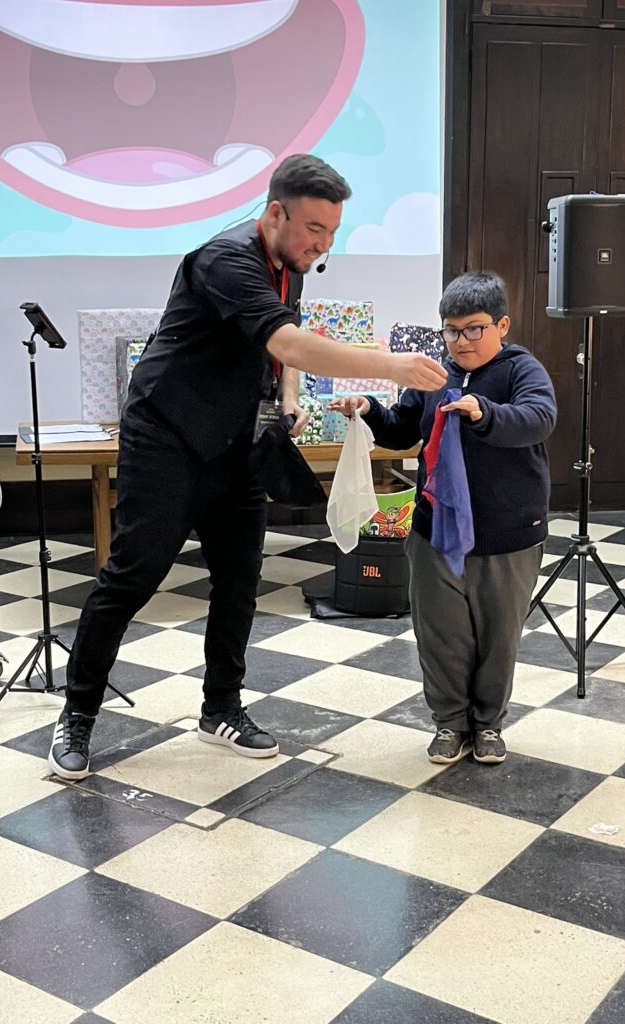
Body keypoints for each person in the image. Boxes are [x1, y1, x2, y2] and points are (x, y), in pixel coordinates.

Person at [48, 154, 447, 780]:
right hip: (167, 436)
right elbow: (288, 341)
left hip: (235, 440)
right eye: (315, 229)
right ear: (274, 213)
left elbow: (283, 346)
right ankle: (76, 715)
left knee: (239, 577)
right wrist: (391, 364)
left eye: (334, 233)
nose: (323, 244)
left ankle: (221, 709)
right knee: (133, 575)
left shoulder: (291, 266)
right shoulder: (225, 260)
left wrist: (285, 400)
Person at [331, 271, 556, 766]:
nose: (461, 341)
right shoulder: (433, 374)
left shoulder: (522, 369)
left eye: (474, 328)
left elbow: (539, 417)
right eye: (451, 331)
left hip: (507, 531)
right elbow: (401, 428)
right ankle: (451, 724)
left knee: (498, 637)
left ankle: (489, 725)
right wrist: (368, 409)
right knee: (440, 634)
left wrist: (484, 412)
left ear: (502, 325)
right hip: (435, 528)